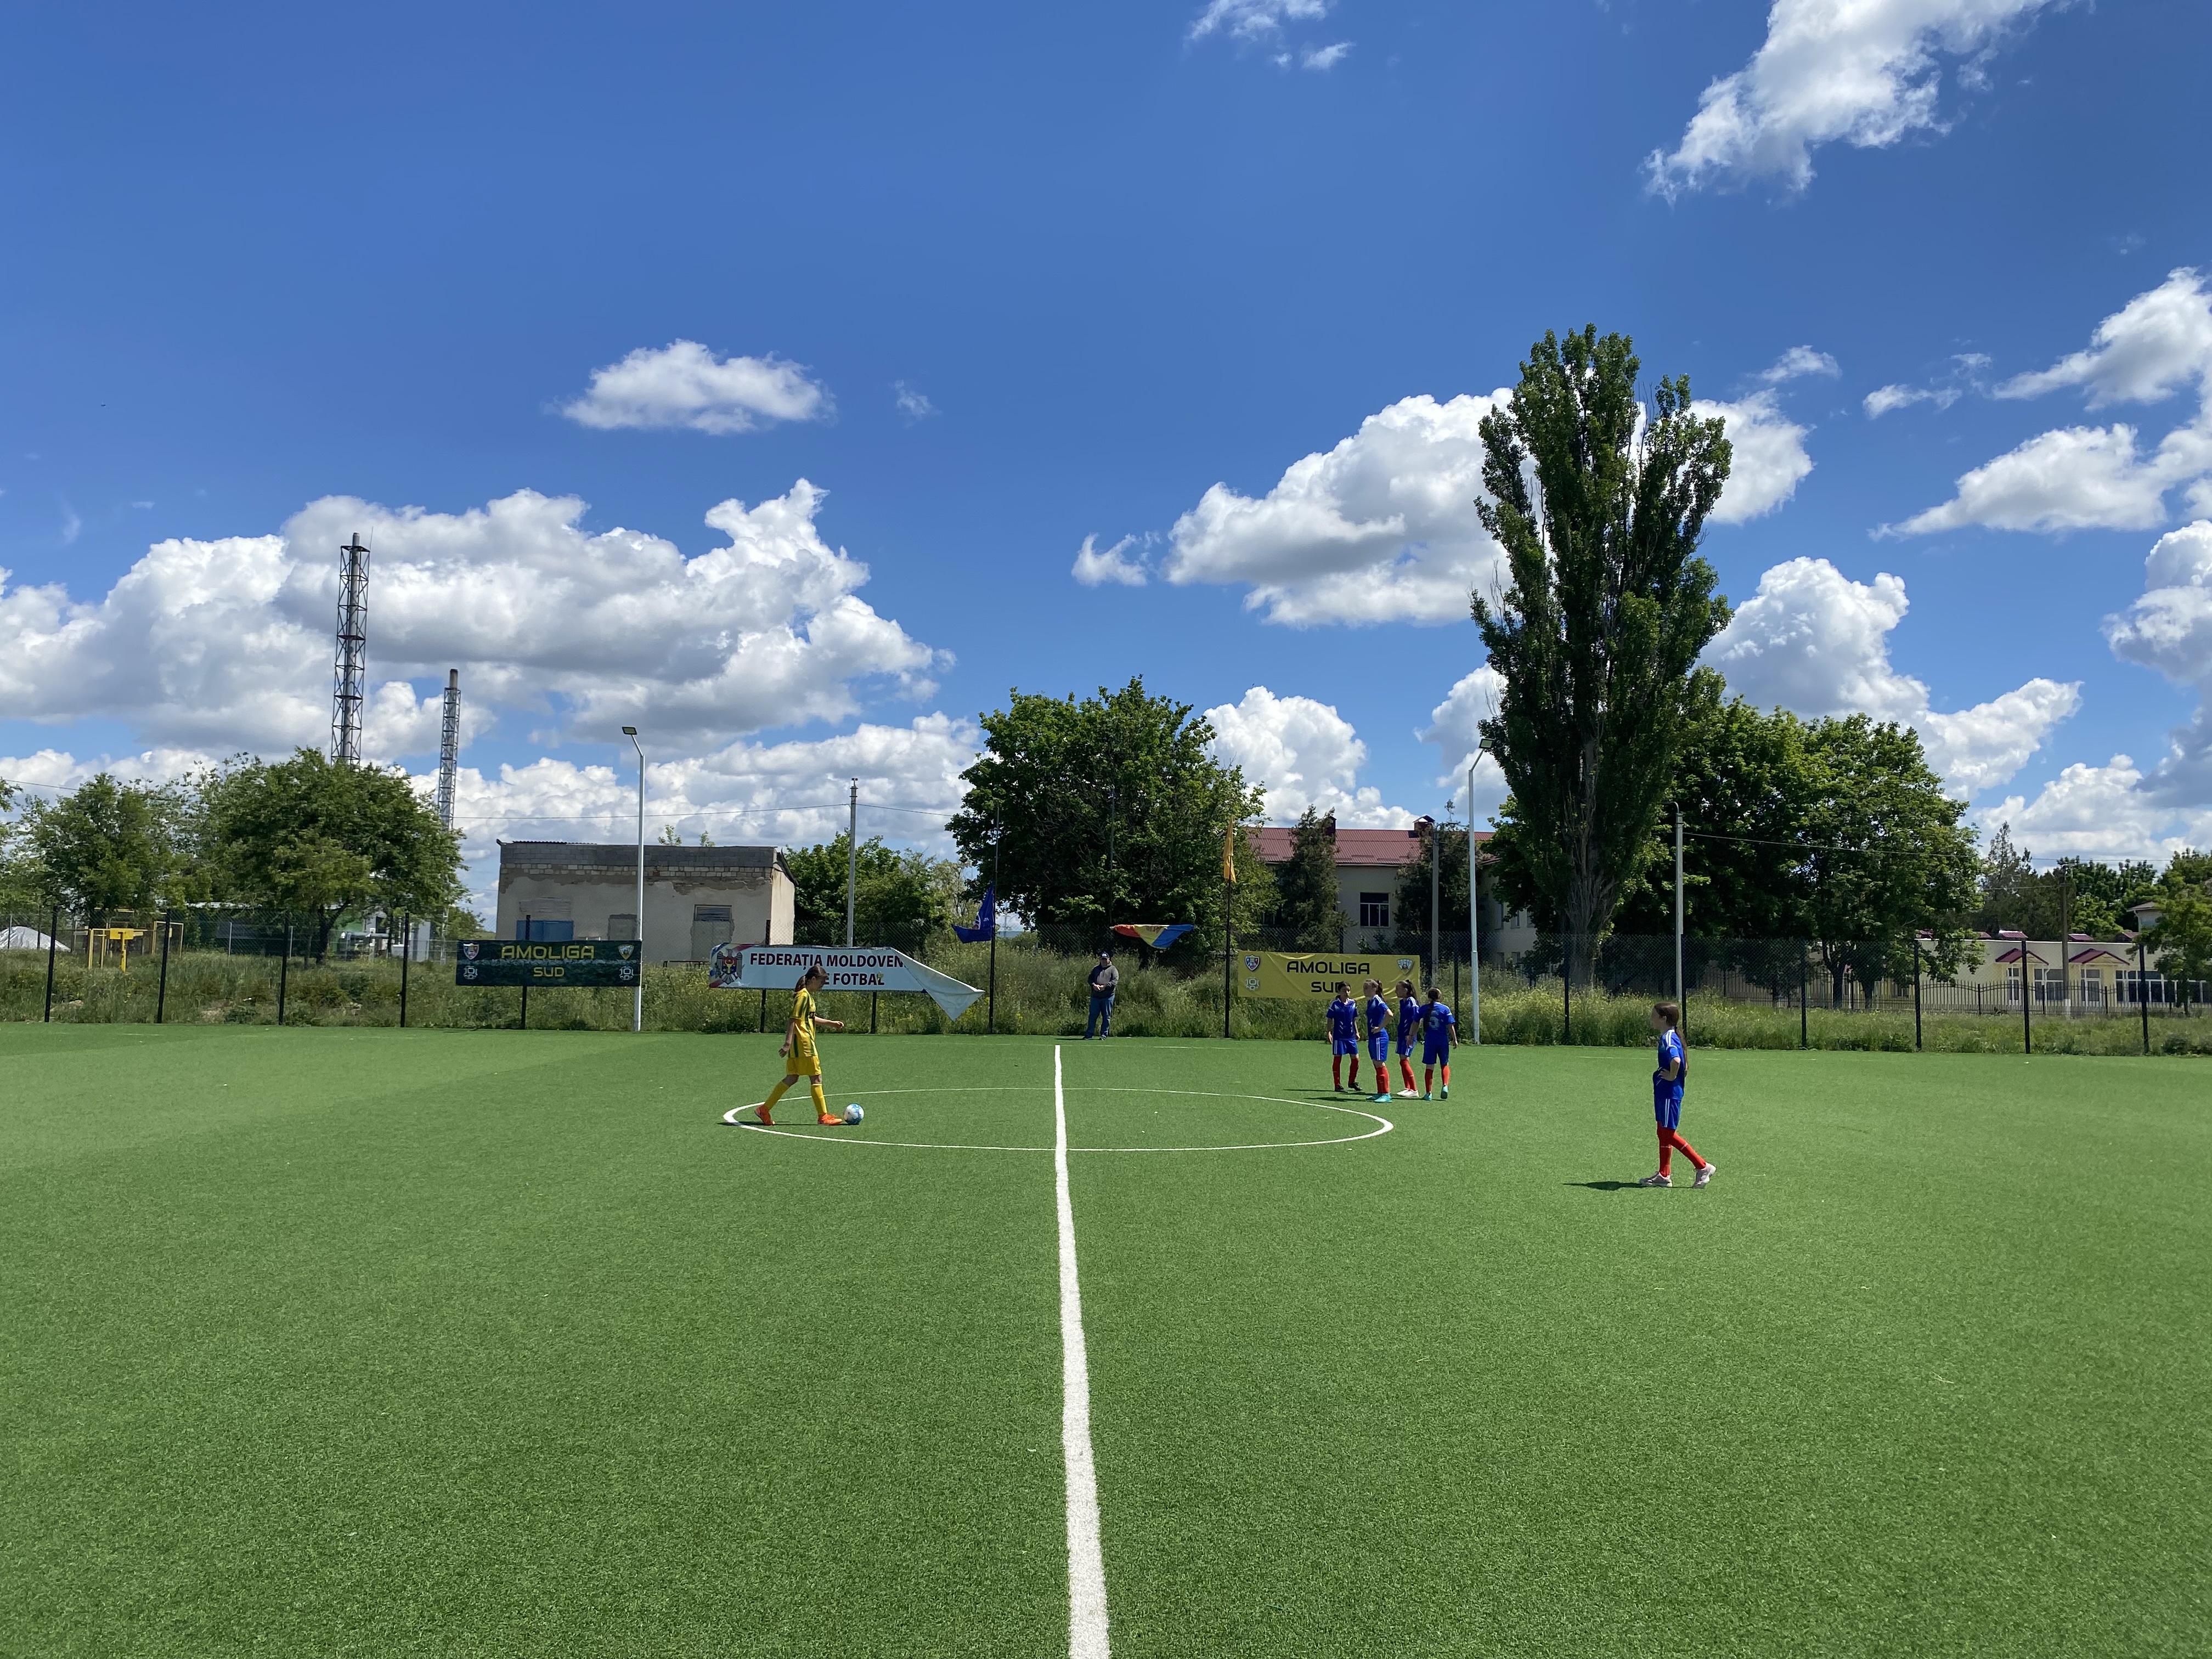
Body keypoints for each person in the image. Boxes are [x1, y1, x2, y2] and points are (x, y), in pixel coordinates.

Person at [752, 962, 847, 1126]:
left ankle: (764, 1109)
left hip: (798, 1045)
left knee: (792, 1077)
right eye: (822, 981)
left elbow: (809, 1018)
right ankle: (823, 1117)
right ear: (813, 979)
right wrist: (787, 1043)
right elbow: (793, 1019)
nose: (823, 985)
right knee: (816, 1077)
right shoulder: (803, 996)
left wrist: (831, 1023)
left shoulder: (806, 996)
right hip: (804, 1043)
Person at [1640, 1001, 1714, 1188]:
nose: (1651, 1019)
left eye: (1654, 1016)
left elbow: (1676, 1060)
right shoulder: (1670, 1036)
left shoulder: (1669, 1038)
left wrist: (1672, 1076)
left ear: (1663, 1018)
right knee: (1662, 1131)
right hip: (1664, 1092)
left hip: (1669, 1093)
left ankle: (1703, 1166)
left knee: (1667, 1133)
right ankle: (1664, 1175)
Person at [1420, 986, 1455, 1099]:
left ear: (1428, 997)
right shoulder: (1445, 1009)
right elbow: (1450, 1026)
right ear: (1440, 997)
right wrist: (1455, 1039)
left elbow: (1416, 1022)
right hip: (1442, 1040)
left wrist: (1411, 1035)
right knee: (1444, 1064)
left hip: (1430, 1041)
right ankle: (1445, 1085)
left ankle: (1429, 1093)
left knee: (1430, 1066)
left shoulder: (1424, 1009)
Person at [1362, 978, 1393, 1103]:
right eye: (1364, 988)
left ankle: (1386, 1094)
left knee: (1380, 1064)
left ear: (1374, 989)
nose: (1364, 990)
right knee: (1376, 1064)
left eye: (1367, 988)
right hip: (1373, 1037)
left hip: (1380, 1037)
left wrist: (1380, 1028)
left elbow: (1389, 1014)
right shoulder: (1370, 1002)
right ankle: (1380, 1092)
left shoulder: (1378, 1000)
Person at [1324, 981, 1360, 1092]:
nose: (1347, 992)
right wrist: (1329, 1032)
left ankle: (1352, 1082)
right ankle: (1338, 1085)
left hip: (1350, 1037)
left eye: (1348, 990)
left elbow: (1353, 1019)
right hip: (1339, 1037)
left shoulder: (1353, 1003)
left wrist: (1357, 1032)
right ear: (1339, 991)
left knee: (1356, 1059)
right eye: (1344, 990)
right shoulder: (1335, 1004)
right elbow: (1330, 1019)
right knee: (1337, 1060)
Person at [1392, 977, 1423, 1098]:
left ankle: (1414, 1090)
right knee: (1403, 1061)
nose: (1396, 991)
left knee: (1404, 1061)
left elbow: (1417, 1020)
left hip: (1408, 1036)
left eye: (1398, 989)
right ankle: (1408, 1088)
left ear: (1406, 990)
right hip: (1402, 1035)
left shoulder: (1412, 1003)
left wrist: (1411, 1035)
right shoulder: (1403, 1002)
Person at [1085, 951, 1119, 1039]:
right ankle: (1089, 1035)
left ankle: (1104, 1035)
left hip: (1108, 997)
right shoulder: (1096, 969)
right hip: (1095, 996)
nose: (1104, 961)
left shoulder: (1113, 969)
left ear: (1109, 959)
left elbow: (1115, 981)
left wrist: (1105, 986)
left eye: (1105, 959)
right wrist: (1094, 985)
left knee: (1106, 1016)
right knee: (1092, 1016)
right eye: (1102, 959)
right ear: (1100, 960)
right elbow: (1090, 979)